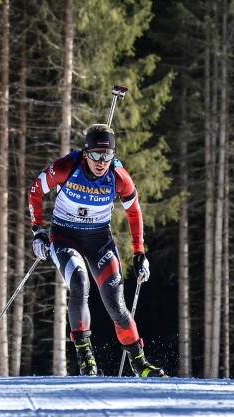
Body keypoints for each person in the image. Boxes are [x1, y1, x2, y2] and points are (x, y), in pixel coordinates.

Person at [27, 123, 165, 378]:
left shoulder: (119, 177)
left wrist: (139, 252)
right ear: (86, 153)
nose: (102, 162)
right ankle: (86, 359)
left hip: (99, 240)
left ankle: (140, 364)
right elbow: (35, 191)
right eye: (96, 155)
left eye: (108, 155)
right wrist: (38, 231)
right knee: (79, 283)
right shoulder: (66, 168)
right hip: (65, 237)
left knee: (116, 304)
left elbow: (134, 212)